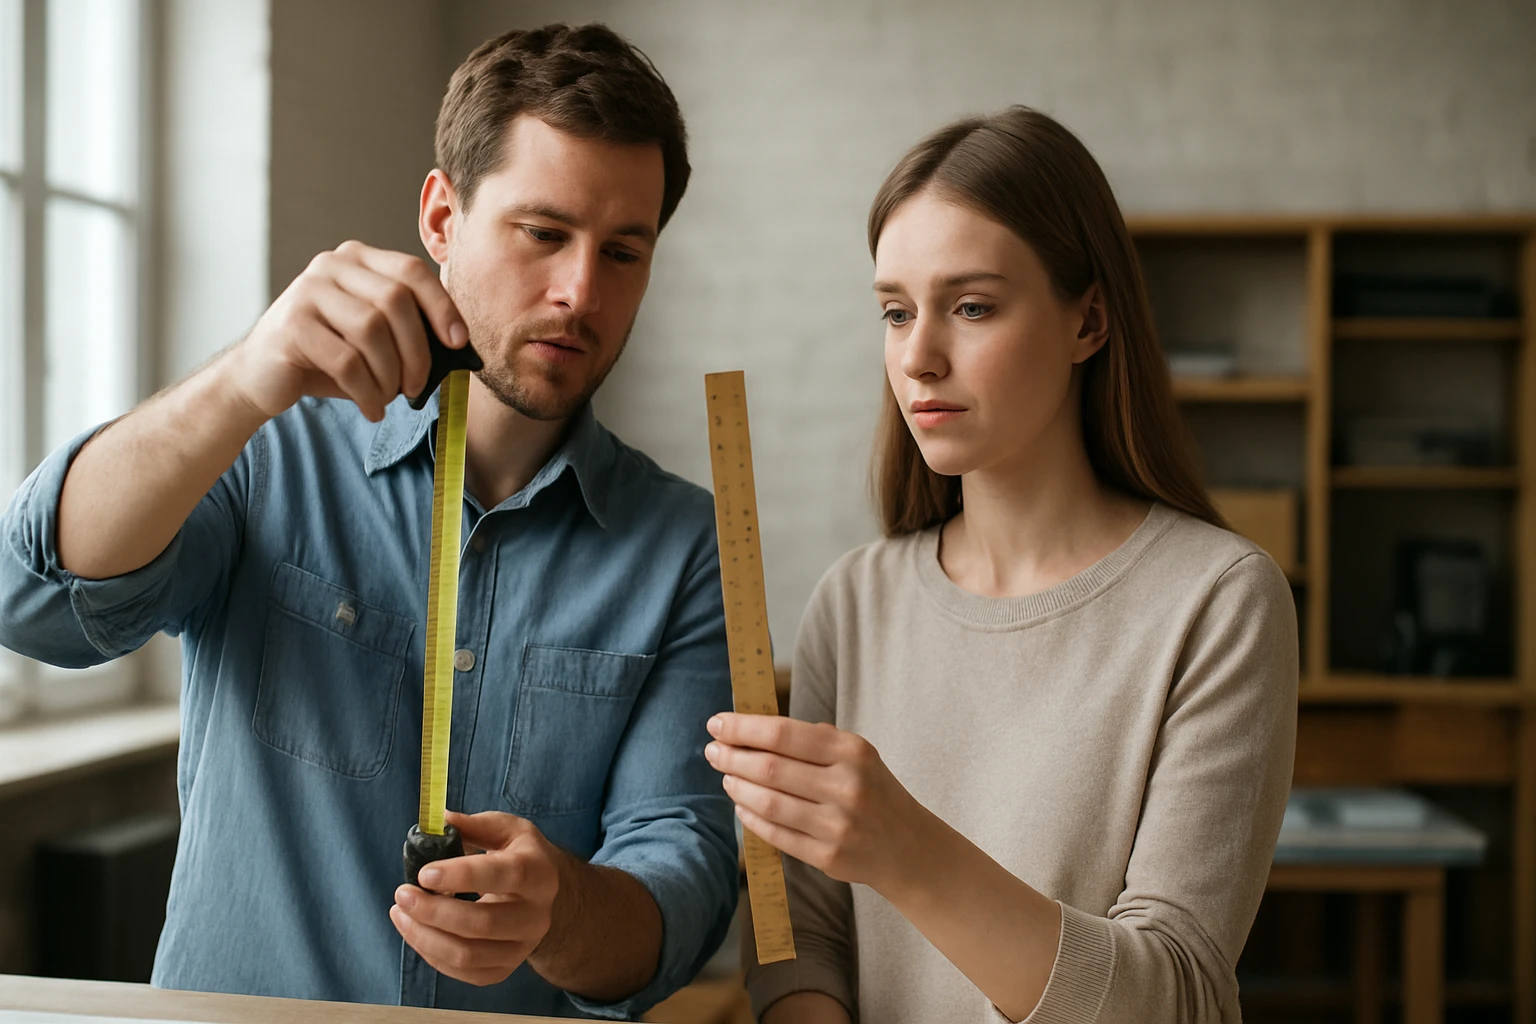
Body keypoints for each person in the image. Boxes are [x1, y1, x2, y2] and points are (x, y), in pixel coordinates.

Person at [0, 23, 737, 1018]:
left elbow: (683, 885)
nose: (580, 292)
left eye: (623, 251)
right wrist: (242, 381)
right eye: (542, 232)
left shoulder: (683, 544)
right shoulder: (267, 448)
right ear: (442, 217)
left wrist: (562, 911)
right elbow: (34, 604)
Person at [705, 106, 1298, 1023]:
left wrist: (906, 850)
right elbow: (802, 939)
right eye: (896, 312)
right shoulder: (852, 603)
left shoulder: (1218, 602)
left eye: (972, 307)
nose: (918, 357)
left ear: (1088, 321)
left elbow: (1175, 993)